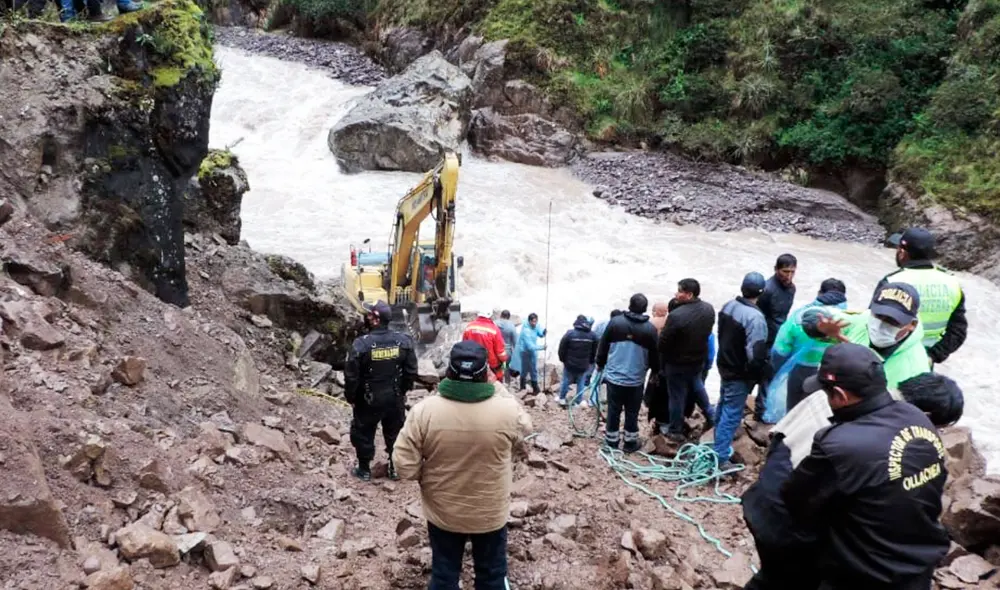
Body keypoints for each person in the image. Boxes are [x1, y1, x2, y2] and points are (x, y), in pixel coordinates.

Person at [742, 363, 963, 590]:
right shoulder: (863, 442)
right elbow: (807, 500)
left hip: (767, 498)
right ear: (925, 415)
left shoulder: (837, 397)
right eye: (939, 427)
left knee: (775, 578)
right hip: (786, 520)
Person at [393, 341, 532, 590]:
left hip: (443, 512)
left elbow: (404, 465)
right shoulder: (508, 411)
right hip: (489, 514)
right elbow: (524, 434)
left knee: (444, 575)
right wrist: (497, 385)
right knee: (492, 576)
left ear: (449, 371)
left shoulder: (424, 411)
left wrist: (426, 478)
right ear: (484, 375)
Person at [344, 301, 419, 482]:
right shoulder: (404, 341)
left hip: (368, 399)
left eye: (370, 315)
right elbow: (411, 371)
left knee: (363, 432)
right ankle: (394, 468)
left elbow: (351, 376)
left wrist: (352, 397)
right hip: (394, 396)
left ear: (376, 319)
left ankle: (363, 469)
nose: (367, 317)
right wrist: (402, 391)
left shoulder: (361, 345)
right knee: (395, 432)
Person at [814, 282, 929, 390]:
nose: (880, 324)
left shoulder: (915, 371)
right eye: (878, 315)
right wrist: (821, 331)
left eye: (892, 321)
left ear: (911, 325)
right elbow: (812, 315)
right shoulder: (861, 319)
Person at [878, 227, 967, 365]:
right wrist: (932, 356)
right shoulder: (952, 283)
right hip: (924, 364)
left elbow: (875, 326)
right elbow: (958, 331)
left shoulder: (892, 282)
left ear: (902, 252)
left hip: (891, 361)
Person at [764, 278, 848, 421]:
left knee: (793, 410)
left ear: (819, 293)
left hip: (799, 369)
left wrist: (778, 370)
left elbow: (780, 350)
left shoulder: (800, 316)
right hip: (832, 375)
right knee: (820, 415)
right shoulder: (849, 320)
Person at [714, 272, 769, 469]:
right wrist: (756, 374)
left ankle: (715, 443)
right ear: (761, 293)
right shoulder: (755, 318)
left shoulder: (728, 306)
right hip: (739, 372)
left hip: (724, 364)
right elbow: (755, 353)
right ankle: (720, 456)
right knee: (732, 412)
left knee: (723, 404)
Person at [596, 294, 659, 452]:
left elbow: (603, 346)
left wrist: (599, 364)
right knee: (632, 412)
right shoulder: (650, 329)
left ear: (630, 305)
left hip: (615, 377)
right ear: (645, 309)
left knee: (614, 410)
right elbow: (655, 356)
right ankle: (630, 444)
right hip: (636, 379)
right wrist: (655, 372)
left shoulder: (615, 323)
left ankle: (611, 442)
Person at [658, 278, 716, 439]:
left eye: (680, 291)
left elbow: (663, 344)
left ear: (689, 294)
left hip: (677, 363)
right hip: (698, 360)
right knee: (697, 386)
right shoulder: (708, 309)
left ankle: (675, 430)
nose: (676, 294)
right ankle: (712, 416)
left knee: (677, 395)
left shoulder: (676, 316)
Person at [754, 254, 797, 422]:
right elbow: (758, 317)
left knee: (772, 375)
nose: (788, 276)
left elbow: (783, 315)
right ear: (776, 269)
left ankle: (764, 410)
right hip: (765, 339)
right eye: (785, 271)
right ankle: (760, 411)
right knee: (763, 375)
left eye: (792, 272)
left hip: (780, 337)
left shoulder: (791, 288)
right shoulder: (767, 290)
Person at [557, 315, 598, 407]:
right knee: (581, 382)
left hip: (569, 364)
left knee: (566, 381)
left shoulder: (570, 334)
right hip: (583, 365)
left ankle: (562, 398)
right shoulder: (592, 335)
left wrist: (562, 359)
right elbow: (594, 350)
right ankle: (578, 401)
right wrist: (591, 361)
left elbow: (562, 348)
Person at [463, 313, 509, 382]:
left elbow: (464, 345)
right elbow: (500, 351)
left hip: (473, 362)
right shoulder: (494, 329)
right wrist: (505, 359)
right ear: (490, 316)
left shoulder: (469, 327)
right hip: (491, 363)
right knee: (496, 382)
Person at [516, 313, 546, 393]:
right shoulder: (526, 331)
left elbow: (539, 333)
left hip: (533, 351)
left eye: (535, 321)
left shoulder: (536, 325)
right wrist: (542, 347)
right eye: (533, 322)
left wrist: (543, 333)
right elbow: (530, 346)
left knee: (534, 369)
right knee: (524, 369)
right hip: (525, 352)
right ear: (529, 321)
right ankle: (522, 387)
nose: (534, 323)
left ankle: (535, 387)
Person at [496, 310, 518, 384]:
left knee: (495, 367)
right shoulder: (511, 326)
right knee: (505, 367)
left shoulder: (495, 323)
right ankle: (507, 384)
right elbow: (515, 342)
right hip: (506, 352)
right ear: (509, 317)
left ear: (501, 316)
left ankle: (496, 383)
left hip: (495, 350)